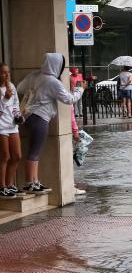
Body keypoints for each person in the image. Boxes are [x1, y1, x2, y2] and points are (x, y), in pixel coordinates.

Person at [17, 53, 85, 193]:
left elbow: (19, 88)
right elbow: (69, 99)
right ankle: (30, 182)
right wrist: (81, 89)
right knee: (34, 152)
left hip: (28, 117)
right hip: (41, 117)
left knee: (34, 151)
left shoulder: (34, 76)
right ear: (56, 66)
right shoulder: (53, 82)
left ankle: (35, 181)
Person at [0, 63, 22, 197]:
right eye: (3, 72)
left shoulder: (11, 86)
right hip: (1, 126)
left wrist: (18, 115)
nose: (7, 75)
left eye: (8, 72)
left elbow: (15, 105)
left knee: (17, 155)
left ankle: (9, 184)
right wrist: (4, 99)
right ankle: (2, 187)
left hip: (12, 125)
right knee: (5, 156)